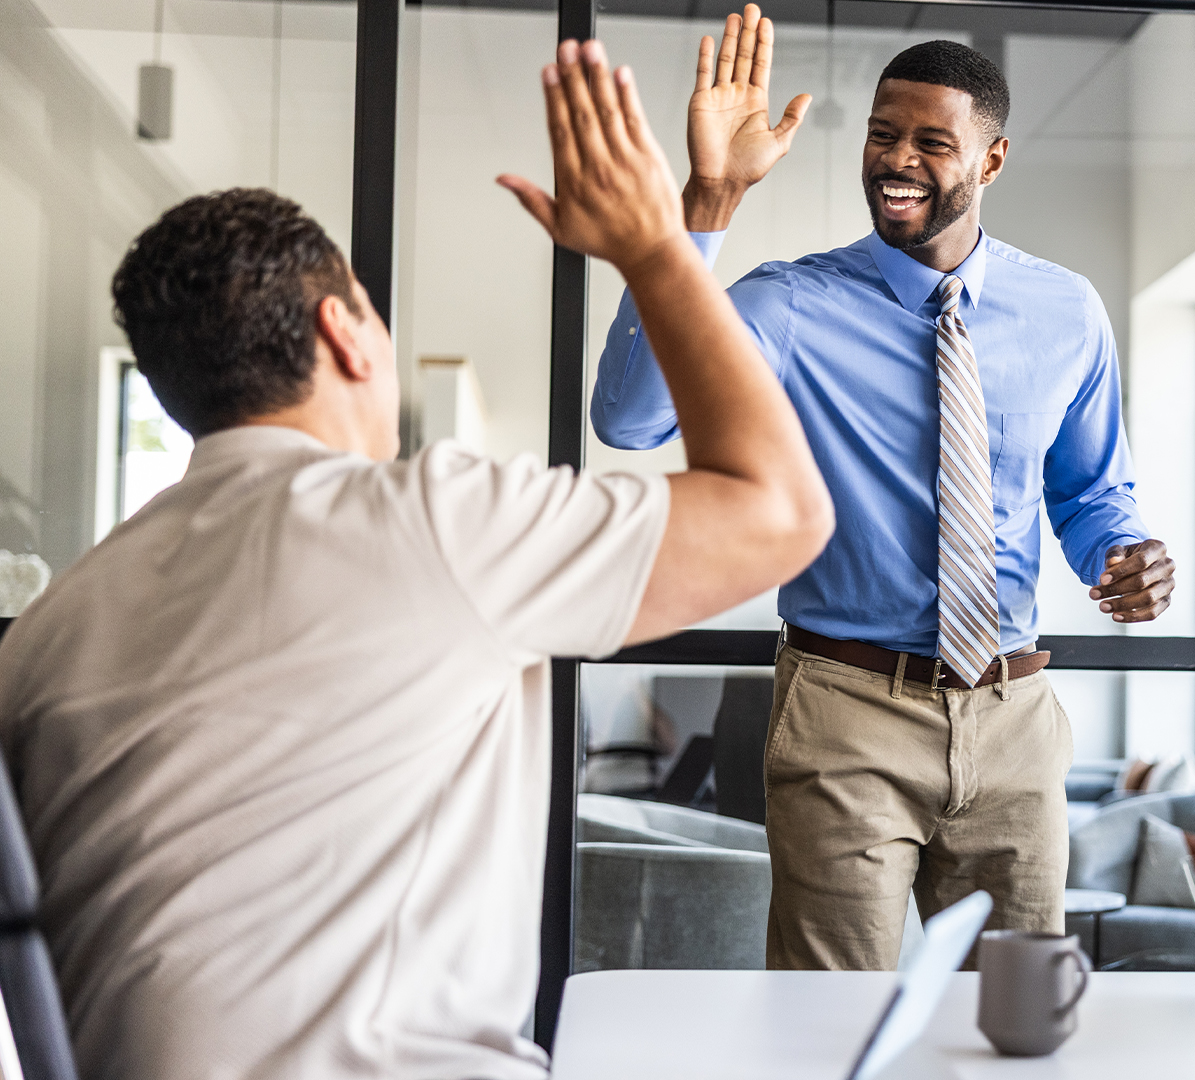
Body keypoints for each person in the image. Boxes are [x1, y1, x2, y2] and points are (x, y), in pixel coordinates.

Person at [0, 40, 830, 1080]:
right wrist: (661, 245)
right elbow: (783, 512)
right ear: (345, 334)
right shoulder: (428, 523)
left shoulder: (48, 627)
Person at [592, 9, 1176, 970]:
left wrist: (1125, 553)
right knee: (831, 1027)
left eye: (931, 143)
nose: (896, 159)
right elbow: (630, 419)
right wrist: (708, 198)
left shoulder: (1066, 312)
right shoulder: (792, 303)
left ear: (989, 163)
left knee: (1017, 1016)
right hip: (845, 712)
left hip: (1016, 720)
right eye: (882, 133)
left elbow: (1089, 491)